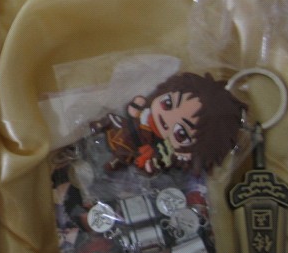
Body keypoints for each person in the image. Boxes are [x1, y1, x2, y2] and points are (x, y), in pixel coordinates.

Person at [89, 71, 244, 175]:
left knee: (122, 158)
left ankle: (114, 163)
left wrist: (153, 164)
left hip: (136, 150)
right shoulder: (145, 114)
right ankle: (101, 126)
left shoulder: (162, 151)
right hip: (125, 129)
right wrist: (136, 107)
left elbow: (154, 164)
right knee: (113, 122)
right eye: (168, 103)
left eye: (181, 133)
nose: (165, 119)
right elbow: (134, 110)